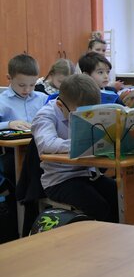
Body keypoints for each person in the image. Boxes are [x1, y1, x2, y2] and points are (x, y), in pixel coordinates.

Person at [31, 74, 119, 222]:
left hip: (88, 174)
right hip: (59, 180)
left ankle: (119, 233)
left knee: (120, 197)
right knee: (98, 206)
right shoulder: (45, 115)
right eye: (79, 114)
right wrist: (81, 144)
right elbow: (47, 144)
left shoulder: (77, 107)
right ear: (60, 105)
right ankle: (102, 235)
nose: (85, 118)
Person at [0, 54, 46, 184]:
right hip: (12, 153)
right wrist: (9, 124)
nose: (27, 89)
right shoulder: (2, 101)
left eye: (32, 84)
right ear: (9, 78)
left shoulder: (42, 98)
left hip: (40, 148)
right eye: (21, 85)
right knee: (16, 169)